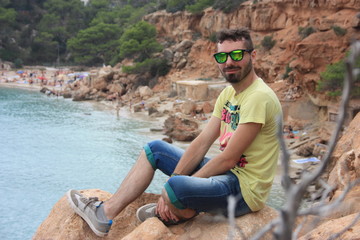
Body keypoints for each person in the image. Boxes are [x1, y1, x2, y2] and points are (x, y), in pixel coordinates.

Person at [67, 28, 283, 237]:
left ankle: (180, 210)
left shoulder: (259, 97)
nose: (229, 62)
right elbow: (202, 141)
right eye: (222, 56)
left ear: (252, 55)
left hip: (244, 191)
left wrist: (174, 190)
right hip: (226, 176)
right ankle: (105, 213)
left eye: (236, 54)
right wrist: (179, 181)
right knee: (155, 150)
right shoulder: (228, 94)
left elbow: (228, 159)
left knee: (175, 187)